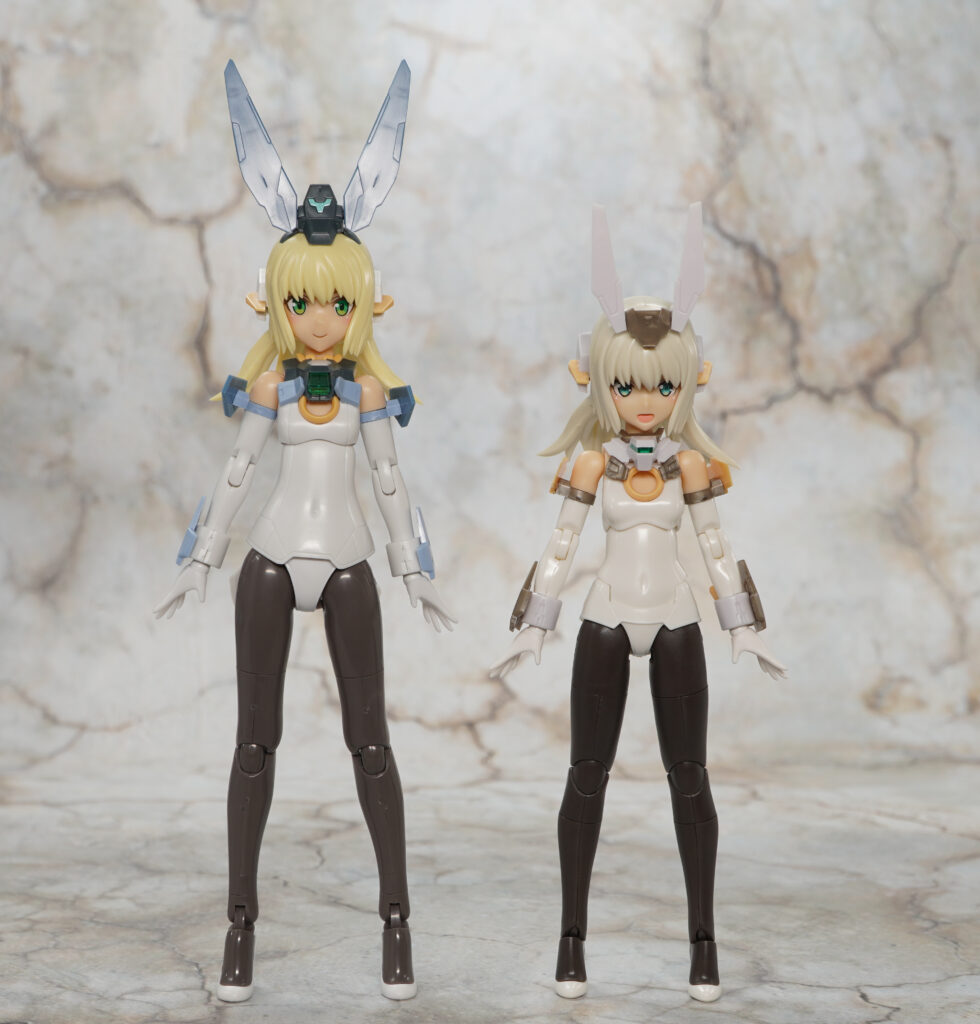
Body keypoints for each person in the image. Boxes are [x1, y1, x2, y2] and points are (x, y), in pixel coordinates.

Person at [156, 60, 452, 1003]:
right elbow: (237, 472)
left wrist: (413, 568)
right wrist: (202, 557)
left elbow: (391, 480)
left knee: (371, 743)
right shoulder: (272, 387)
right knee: (256, 742)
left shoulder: (365, 392)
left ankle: (397, 924)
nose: (319, 321)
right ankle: (239, 926)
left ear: (361, 304)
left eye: (336, 303)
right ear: (276, 302)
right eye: (301, 303)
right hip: (272, 561)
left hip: (353, 561)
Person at [491, 204, 785, 1004]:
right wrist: (533, 626)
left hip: (680, 619)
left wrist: (744, 629)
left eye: (661, 385)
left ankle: (703, 942)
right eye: (627, 385)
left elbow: (716, 548)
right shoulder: (594, 464)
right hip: (606, 618)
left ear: (687, 384)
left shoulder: (691, 467)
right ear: (600, 382)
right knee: (586, 775)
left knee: (689, 778)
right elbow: (560, 546)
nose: (645, 401)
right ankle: (571, 939)